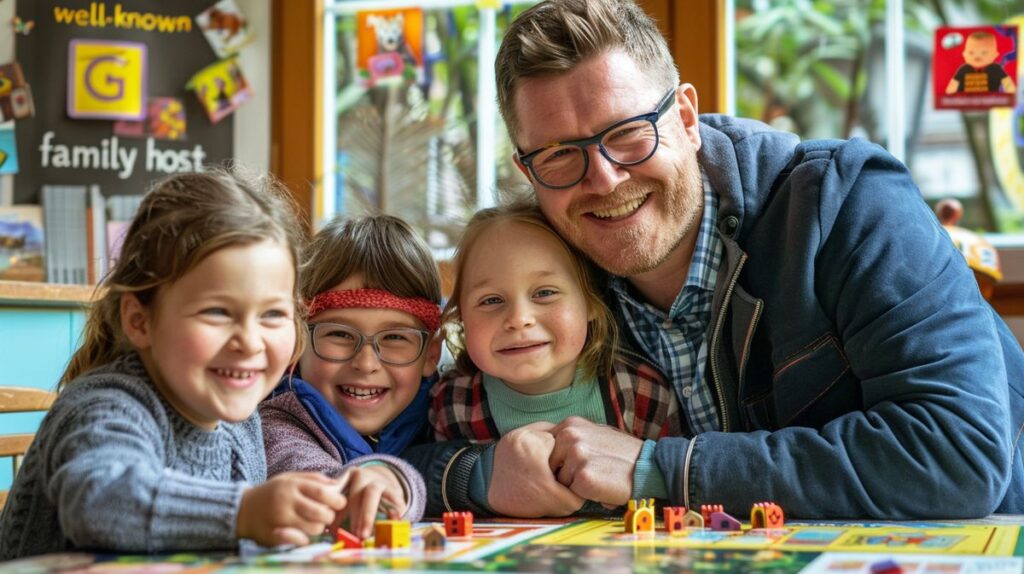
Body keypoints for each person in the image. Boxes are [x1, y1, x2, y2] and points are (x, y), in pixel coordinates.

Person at [409, 0, 1024, 519]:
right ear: (528, 169)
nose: (603, 178)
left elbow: (956, 453)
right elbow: (395, 441)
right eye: (559, 154)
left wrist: (659, 469)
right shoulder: (548, 266)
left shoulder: (847, 203)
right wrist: (479, 474)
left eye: (627, 132)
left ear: (685, 117)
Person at [2, 171, 354, 559]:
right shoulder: (106, 407)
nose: (250, 341)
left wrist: (364, 485)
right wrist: (244, 511)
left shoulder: (241, 420)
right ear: (140, 321)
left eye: (272, 314)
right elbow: (99, 502)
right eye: (217, 312)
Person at [429, 201, 681, 515]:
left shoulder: (642, 393)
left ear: (591, 301)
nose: (519, 318)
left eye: (545, 293)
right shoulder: (451, 403)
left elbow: (681, 496)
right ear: (461, 316)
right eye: (491, 300)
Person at [260, 214, 439, 538]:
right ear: (298, 341)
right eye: (340, 335)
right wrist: (372, 484)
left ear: (431, 355)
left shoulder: (445, 411)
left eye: (395, 338)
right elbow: (309, 478)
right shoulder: (279, 422)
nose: (366, 363)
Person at [945, 31, 1016, 94]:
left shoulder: (996, 69)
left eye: (984, 53)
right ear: (964, 55)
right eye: (971, 53)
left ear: (995, 55)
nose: (977, 56)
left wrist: (1011, 93)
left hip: (990, 101)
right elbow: (952, 86)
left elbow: (1008, 84)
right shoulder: (964, 69)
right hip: (966, 101)